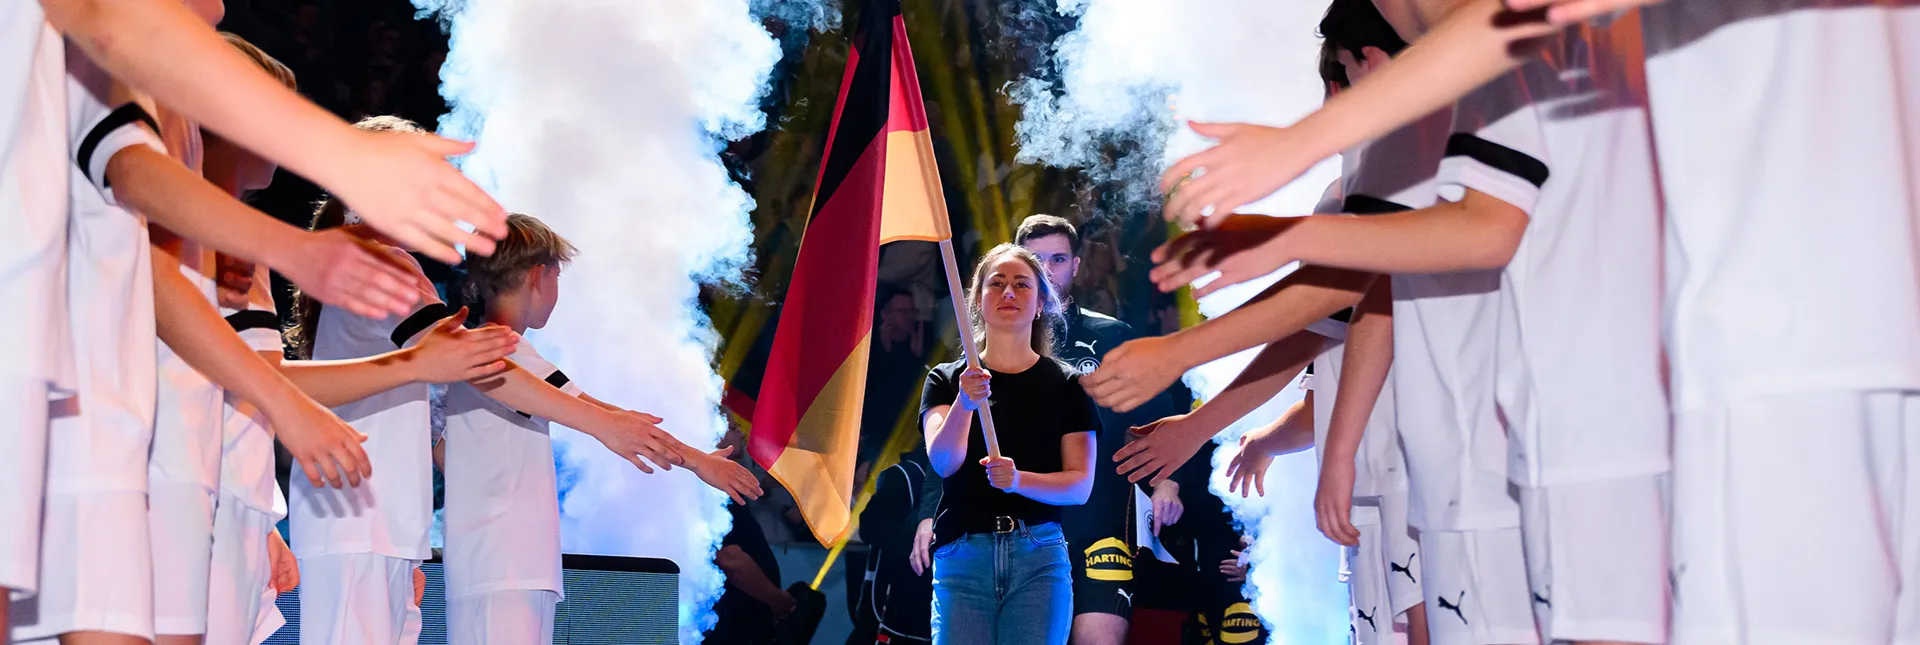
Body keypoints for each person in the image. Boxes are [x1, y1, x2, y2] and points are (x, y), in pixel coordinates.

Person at [440, 212, 761, 645]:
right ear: (540, 275)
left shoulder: (499, 348)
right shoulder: (503, 348)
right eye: (557, 278)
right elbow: (605, 415)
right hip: (503, 564)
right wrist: (698, 461)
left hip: (502, 561)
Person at [920, 243, 1097, 645]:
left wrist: (1019, 480)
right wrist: (965, 403)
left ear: (1040, 305)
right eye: (996, 284)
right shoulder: (946, 380)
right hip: (962, 555)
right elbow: (944, 461)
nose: (1009, 293)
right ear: (978, 302)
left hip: (1038, 556)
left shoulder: (1067, 385)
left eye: (1022, 284)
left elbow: (1080, 486)